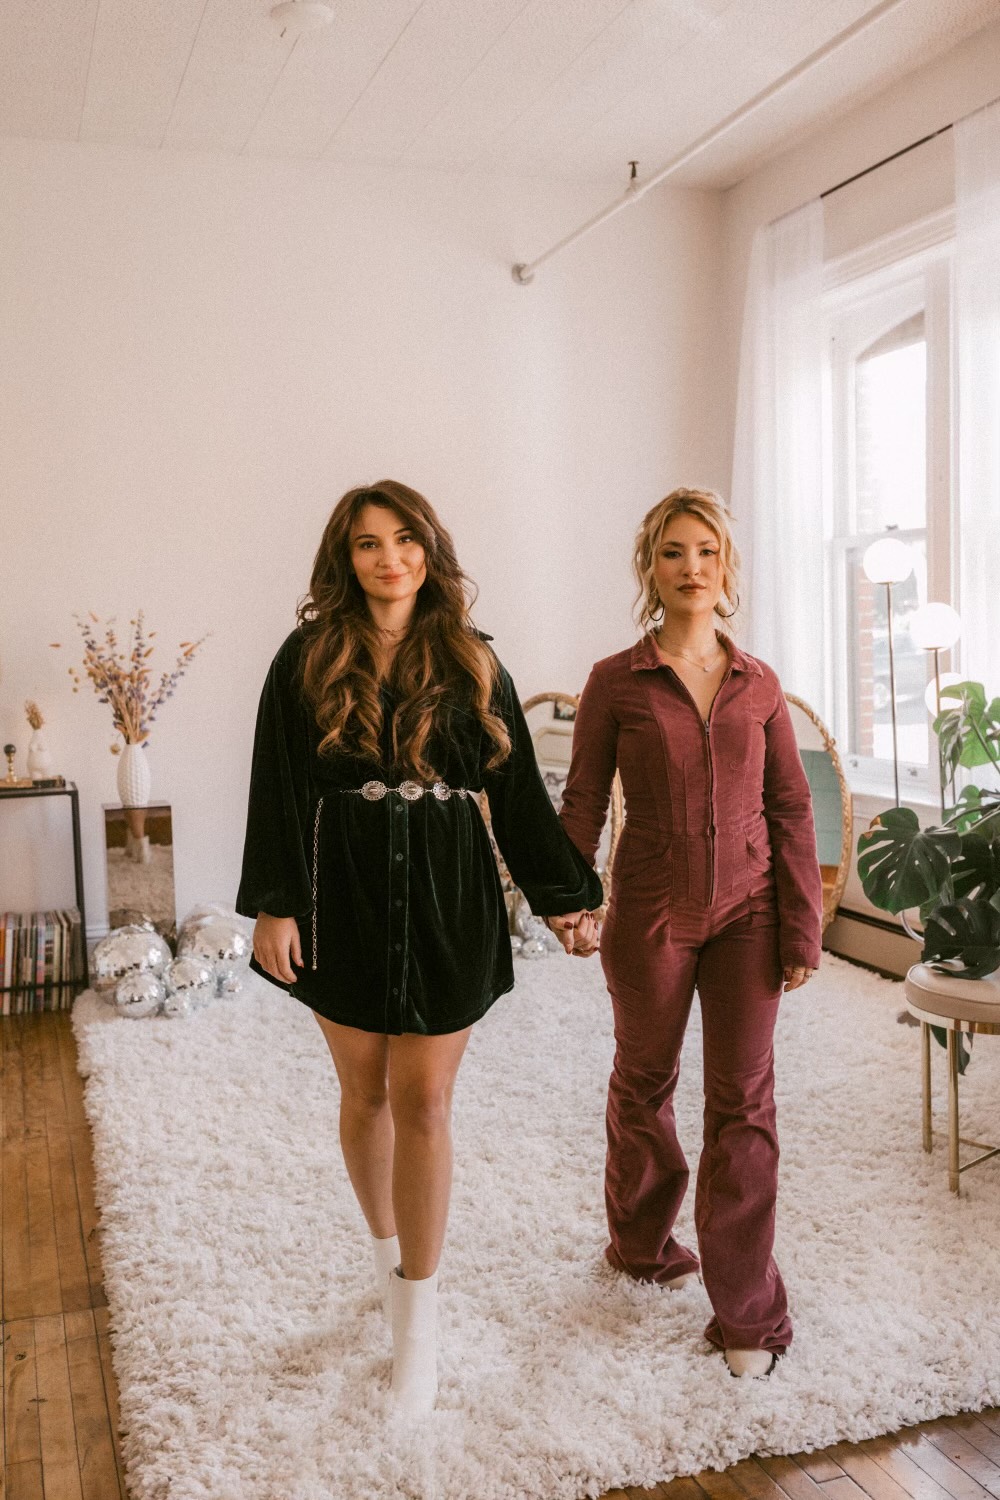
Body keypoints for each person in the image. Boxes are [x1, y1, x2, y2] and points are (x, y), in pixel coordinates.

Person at [235, 480, 602, 1417]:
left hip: (448, 893)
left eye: (405, 540)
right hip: (342, 892)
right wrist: (275, 906)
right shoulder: (307, 656)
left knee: (424, 1098)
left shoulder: (474, 661)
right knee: (363, 1093)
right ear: (344, 556)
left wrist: (564, 898)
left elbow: (516, 794)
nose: (388, 558)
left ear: (430, 551)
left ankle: (420, 1335)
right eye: (368, 543)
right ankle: (385, 1264)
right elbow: (275, 785)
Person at [555, 486, 822, 1378]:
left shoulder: (760, 684)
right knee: (645, 1080)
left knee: (745, 1103)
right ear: (651, 569)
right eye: (674, 552)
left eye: (706, 551)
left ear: (726, 568)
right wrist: (568, 898)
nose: (692, 568)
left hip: (750, 914)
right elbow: (585, 798)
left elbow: (789, 806)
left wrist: (801, 927)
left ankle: (748, 1316)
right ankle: (640, 1243)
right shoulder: (614, 682)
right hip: (652, 912)